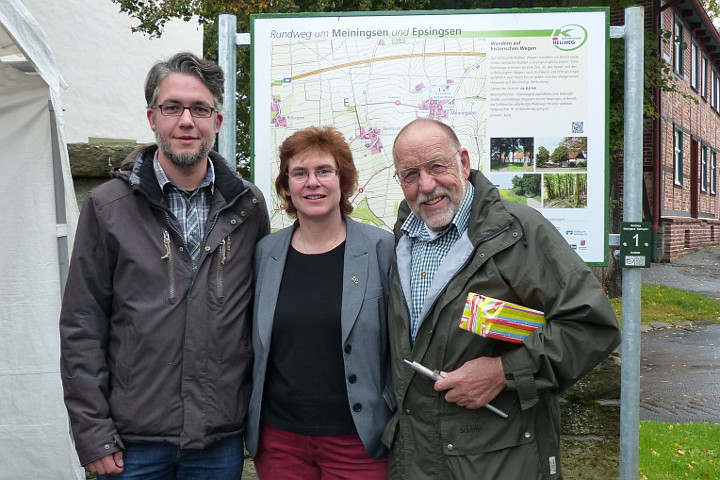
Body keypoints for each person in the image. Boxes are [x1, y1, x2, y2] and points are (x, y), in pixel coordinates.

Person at [59, 52, 269, 479]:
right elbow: (82, 326)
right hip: (131, 446)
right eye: (173, 107)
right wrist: (93, 433)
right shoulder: (108, 207)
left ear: (218, 120)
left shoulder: (248, 206)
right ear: (153, 118)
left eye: (200, 109)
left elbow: (260, 317)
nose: (186, 120)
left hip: (218, 441)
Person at [383, 118, 620, 479]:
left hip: (501, 460)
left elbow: (591, 327)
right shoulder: (401, 240)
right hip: (417, 460)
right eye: (410, 174)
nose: (426, 185)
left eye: (436, 167)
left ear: (463, 161)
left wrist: (503, 372)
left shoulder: (518, 230)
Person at [244, 126, 396, 480]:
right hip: (280, 442)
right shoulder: (265, 253)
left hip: (358, 441)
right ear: (287, 186)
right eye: (299, 173)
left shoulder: (380, 249)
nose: (312, 182)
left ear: (343, 181)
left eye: (324, 171)